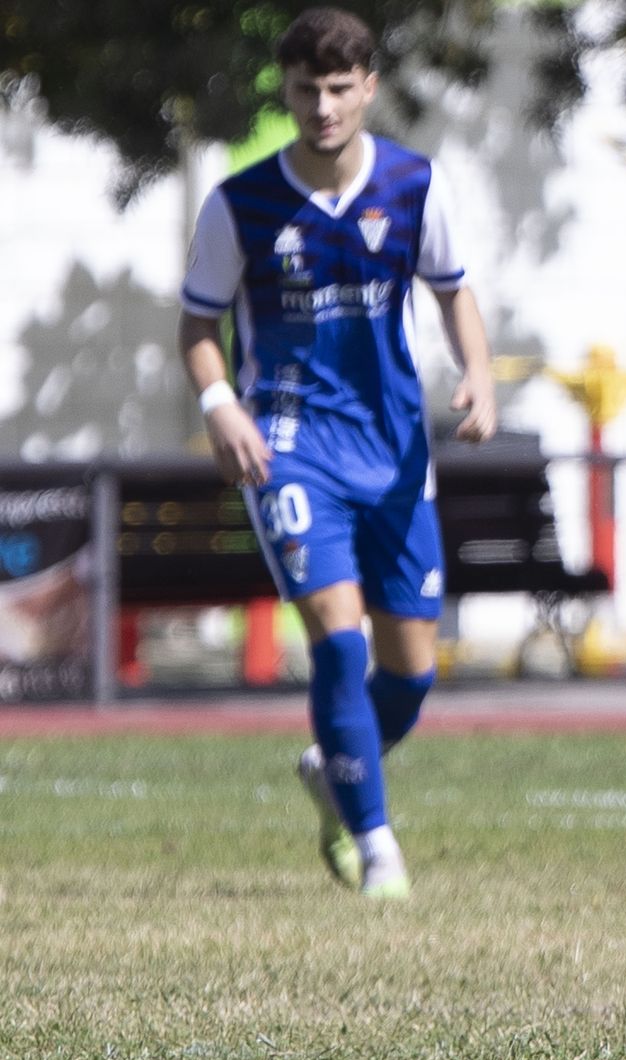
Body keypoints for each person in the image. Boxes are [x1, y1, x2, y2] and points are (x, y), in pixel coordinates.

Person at [177, 7, 498, 899]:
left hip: (393, 452)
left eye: (338, 89)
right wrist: (219, 405)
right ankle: (377, 845)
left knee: (412, 669)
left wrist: (479, 372)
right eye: (307, 90)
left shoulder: (413, 185)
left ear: (369, 89)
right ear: (287, 90)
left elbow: (453, 290)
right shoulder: (238, 202)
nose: (322, 107)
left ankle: (335, 773)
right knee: (339, 644)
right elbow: (199, 324)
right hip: (288, 448)